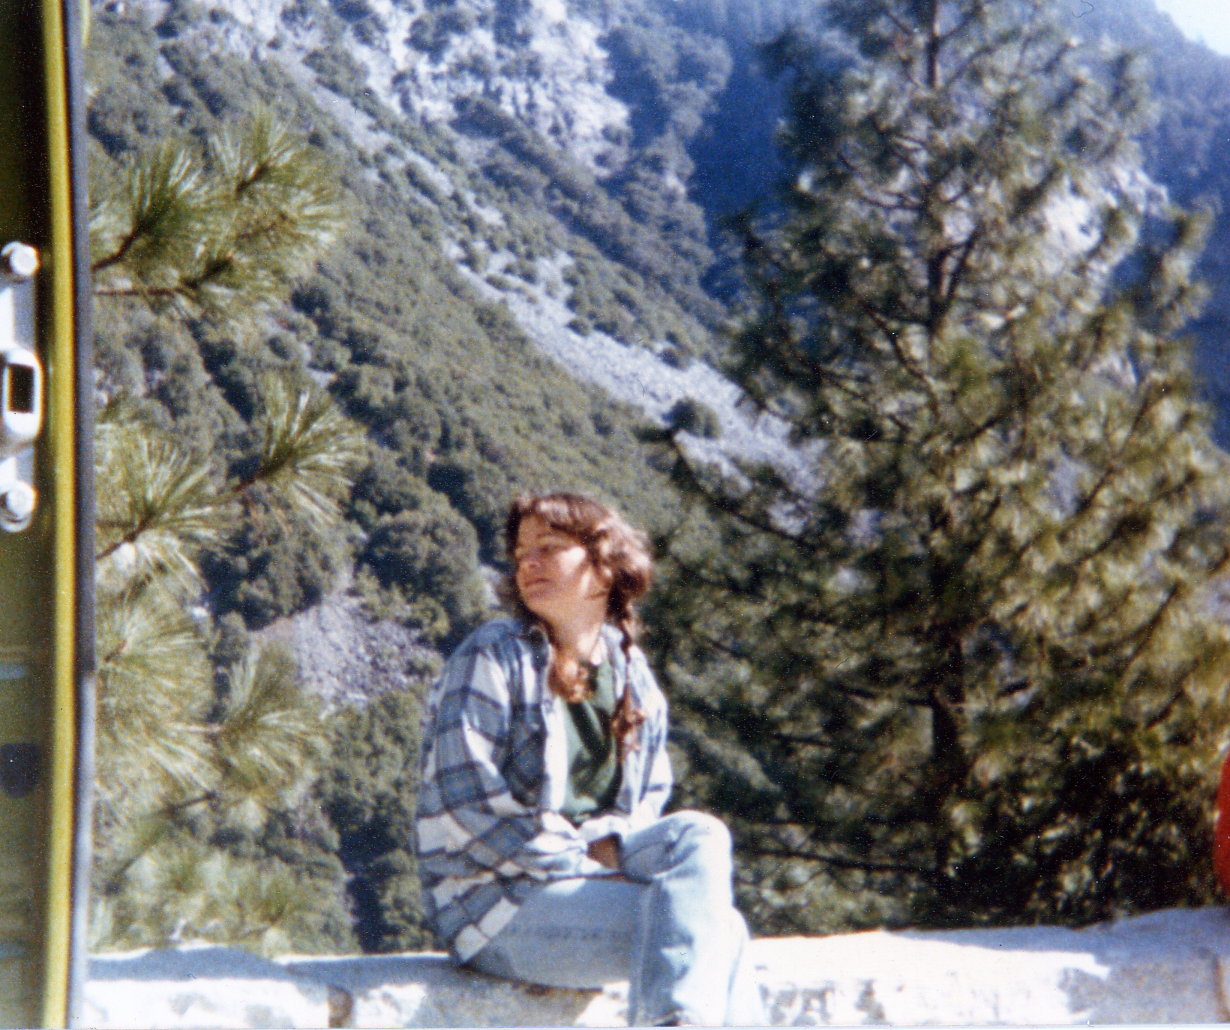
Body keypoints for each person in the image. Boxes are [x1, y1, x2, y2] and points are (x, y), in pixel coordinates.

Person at [415, 491, 765, 1026]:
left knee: (701, 834)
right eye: (521, 553)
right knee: (715, 928)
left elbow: (646, 802)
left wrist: (609, 849)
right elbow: (466, 802)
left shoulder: (632, 675)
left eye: (549, 548)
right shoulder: (495, 655)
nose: (528, 563)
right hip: (497, 903)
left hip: (591, 874)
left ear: (604, 568)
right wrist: (585, 863)